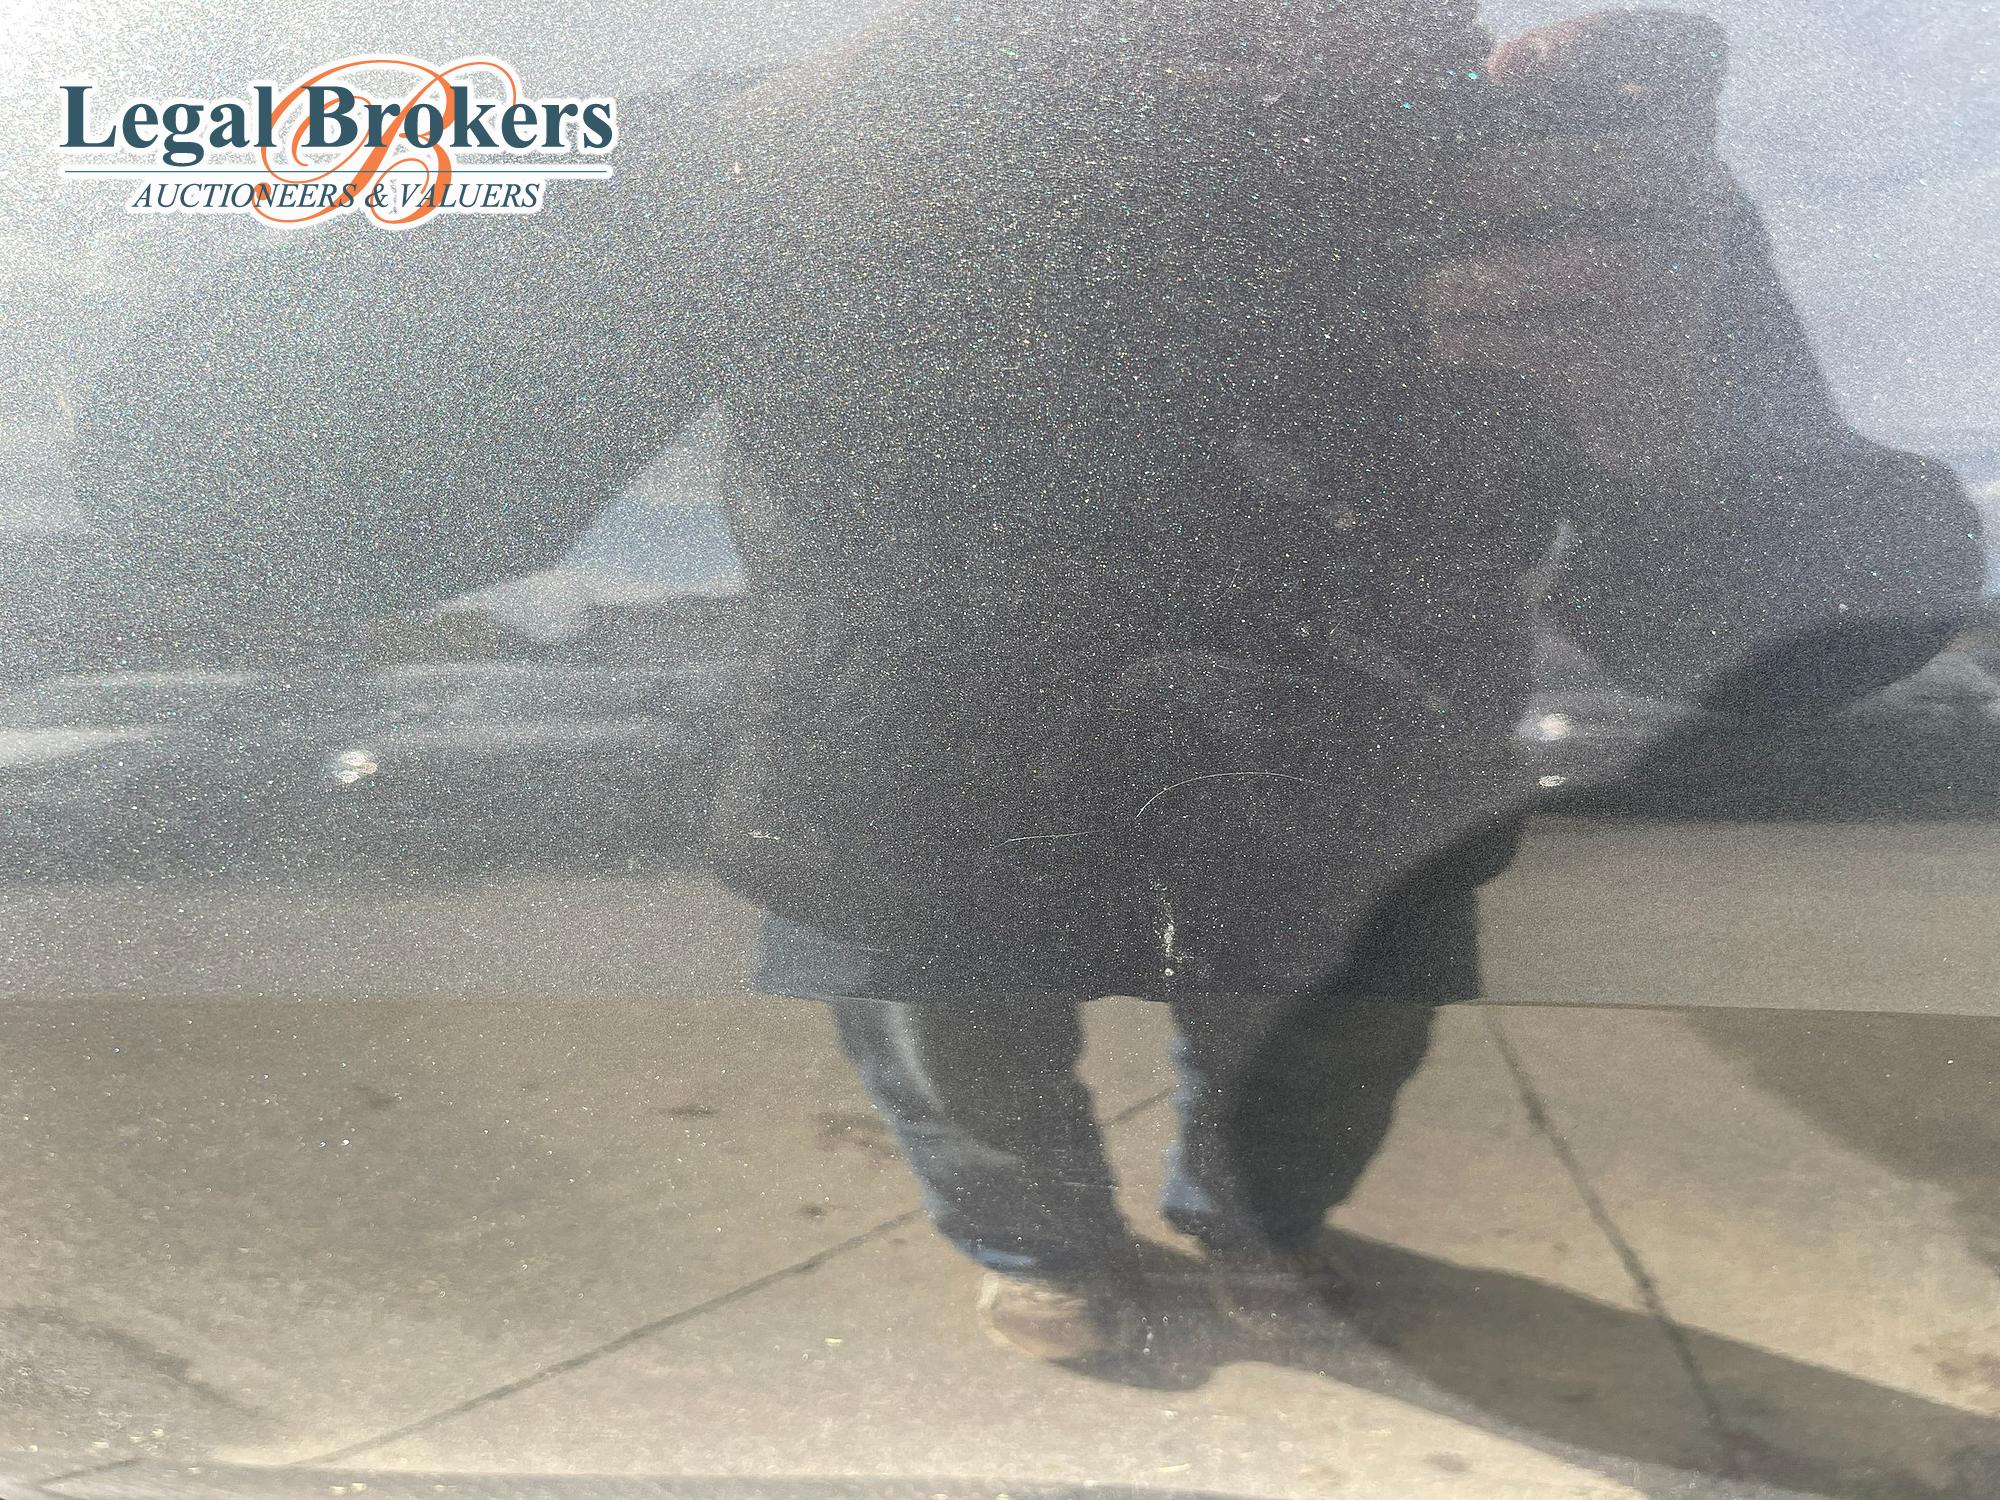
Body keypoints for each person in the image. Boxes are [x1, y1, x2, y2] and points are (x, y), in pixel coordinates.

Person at [62, 3, 1982, 1362]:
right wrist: (724, 164)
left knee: (1309, 1070)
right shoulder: (820, 146)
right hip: (905, 810)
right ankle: (1046, 1249)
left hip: (1342, 833)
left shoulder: (1545, 184)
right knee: (961, 1077)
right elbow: (225, 498)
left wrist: (1672, 405)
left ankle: (1253, 1233)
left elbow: (1819, 644)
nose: (1230, 38)